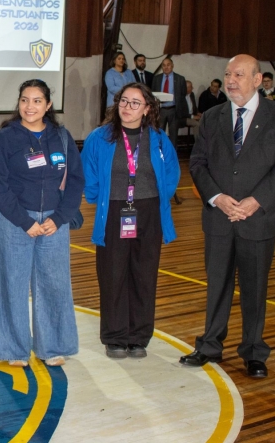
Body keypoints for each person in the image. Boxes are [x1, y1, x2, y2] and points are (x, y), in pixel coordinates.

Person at [181, 54, 275, 378]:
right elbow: (198, 163)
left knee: (254, 288)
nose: (231, 80)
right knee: (216, 284)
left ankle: (253, 351)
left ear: (258, 80)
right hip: (219, 218)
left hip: (257, 219)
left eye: (239, 75)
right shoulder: (212, 117)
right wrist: (217, 198)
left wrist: (255, 201)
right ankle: (209, 346)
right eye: (228, 74)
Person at [0, 79, 84, 367]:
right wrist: (23, 220)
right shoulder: (5, 138)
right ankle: (13, 349)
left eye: (37, 100)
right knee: (11, 284)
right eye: (25, 100)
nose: (30, 106)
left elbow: (76, 180)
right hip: (15, 222)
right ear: (18, 103)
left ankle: (53, 346)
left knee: (54, 284)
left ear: (48, 105)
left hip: (54, 223)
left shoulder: (62, 137)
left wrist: (59, 218)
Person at [82, 82, 179, 359]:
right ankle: (114, 336)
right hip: (114, 211)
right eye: (124, 101)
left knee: (144, 274)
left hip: (149, 212)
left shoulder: (159, 139)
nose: (127, 107)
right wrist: (97, 197)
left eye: (135, 103)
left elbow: (171, 173)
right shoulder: (100, 137)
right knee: (112, 274)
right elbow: (88, 171)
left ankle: (138, 336)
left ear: (147, 109)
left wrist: (158, 196)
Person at [151, 57, 188, 148]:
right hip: (161, 110)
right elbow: (153, 93)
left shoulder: (180, 79)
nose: (166, 67)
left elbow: (183, 95)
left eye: (168, 65)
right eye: (164, 65)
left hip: (174, 110)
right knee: (158, 133)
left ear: (172, 66)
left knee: (173, 135)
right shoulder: (156, 79)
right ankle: (158, 153)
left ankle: (172, 156)